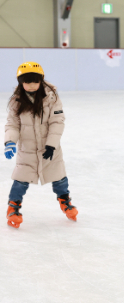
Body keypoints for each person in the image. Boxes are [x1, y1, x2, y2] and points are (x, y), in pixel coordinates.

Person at [4, 62, 78, 229]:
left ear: (41, 81)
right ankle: (13, 208)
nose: (31, 85)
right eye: (26, 81)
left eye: (34, 81)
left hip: (49, 148)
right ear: (20, 82)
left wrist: (51, 145)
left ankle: (65, 201)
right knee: (21, 180)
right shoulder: (17, 101)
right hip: (27, 149)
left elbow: (57, 122)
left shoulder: (51, 97)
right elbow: (13, 124)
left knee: (59, 177)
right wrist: (10, 142)